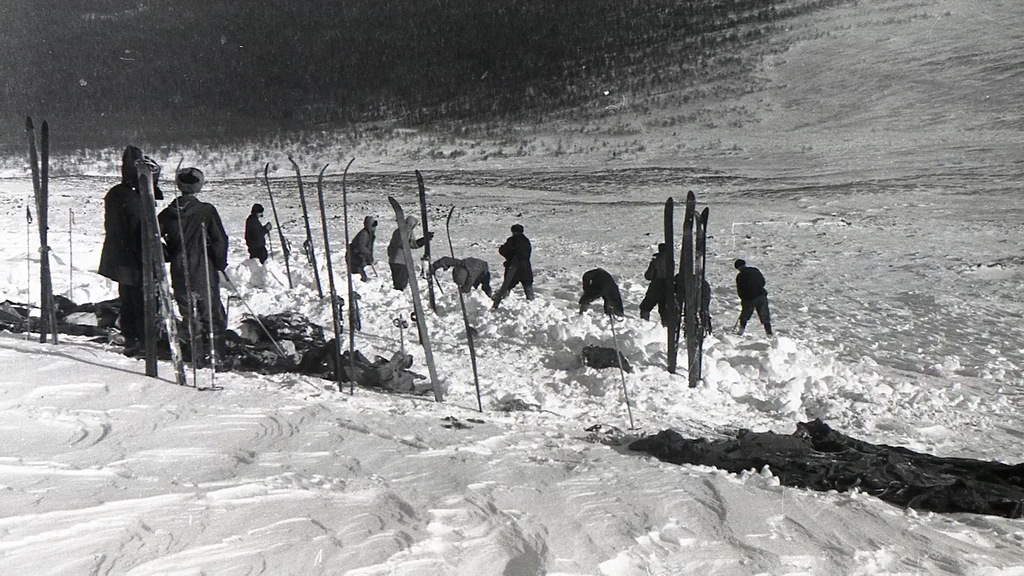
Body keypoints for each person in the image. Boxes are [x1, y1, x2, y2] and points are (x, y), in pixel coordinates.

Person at [97, 146, 163, 356]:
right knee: (142, 300)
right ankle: (143, 342)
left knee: (128, 298)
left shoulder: (117, 193)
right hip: (134, 259)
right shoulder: (133, 199)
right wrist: (157, 256)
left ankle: (133, 339)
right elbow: (139, 232)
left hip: (121, 259)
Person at [157, 167, 230, 358]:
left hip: (179, 269)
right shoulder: (206, 211)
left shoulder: (168, 213)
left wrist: (168, 253)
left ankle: (195, 353)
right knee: (211, 312)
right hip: (202, 268)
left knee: (188, 312)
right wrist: (220, 263)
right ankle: (216, 355)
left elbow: (152, 238)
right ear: (199, 186)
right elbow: (220, 241)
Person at [491, 223, 534, 308]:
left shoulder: (512, 240)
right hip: (526, 267)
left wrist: (508, 255)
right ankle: (532, 304)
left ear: (513, 231)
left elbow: (503, 250)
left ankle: (499, 304)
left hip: (513, 267)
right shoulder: (526, 241)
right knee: (527, 285)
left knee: (507, 285)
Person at [386, 216, 431, 291]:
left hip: (393, 259)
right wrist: (423, 240)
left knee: (397, 281)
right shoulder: (407, 230)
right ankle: (399, 297)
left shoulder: (397, 230)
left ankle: (397, 295)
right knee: (401, 282)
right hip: (401, 260)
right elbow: (410, 244)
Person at [639, 243, 675, 324]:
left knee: (645, 307)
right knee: (664, 311)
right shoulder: (671, 261)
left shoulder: (655, 261)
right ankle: (666, 329)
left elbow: (648, 276)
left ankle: (643, 325)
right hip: (668, 288)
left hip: (655, 288)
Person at [734, 258, 772, 336]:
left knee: (745, 315)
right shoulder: (755, 270)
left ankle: (741, 332)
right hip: (761, 296)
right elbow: (763, 282)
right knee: (765, 315)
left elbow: (740, 289)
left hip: (749, 298)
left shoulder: (740, 276)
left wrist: (743, 298)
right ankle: (769, 333)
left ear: (738, 267)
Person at [347, 216, 378, 282]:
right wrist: (368, 256)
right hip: (354, 258)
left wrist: (369, 258)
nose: (375, 227)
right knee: (358, 277)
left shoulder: (369, 234)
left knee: (360, 275)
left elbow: (368, 248)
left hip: (359, 259)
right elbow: (360, 247)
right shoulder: (364, 234)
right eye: (373, 224)